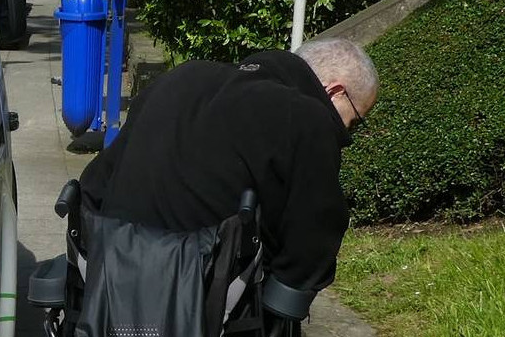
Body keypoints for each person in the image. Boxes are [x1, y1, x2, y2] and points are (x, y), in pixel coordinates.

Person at [80, 37, 378, 298]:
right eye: (354, 122)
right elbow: (312, 240)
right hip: (202, 286)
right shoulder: (307, 117)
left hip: (114, 260)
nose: (346, 134)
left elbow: (97, 181)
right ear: (335, 91)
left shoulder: (182, 77)